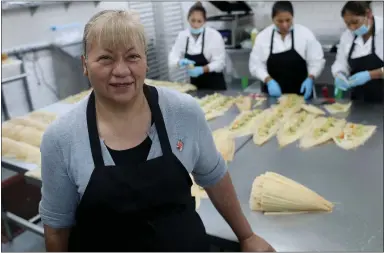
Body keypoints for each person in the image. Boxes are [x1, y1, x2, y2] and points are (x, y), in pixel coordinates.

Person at [39, 9, 274, 252]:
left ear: (145, 61)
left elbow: (214, 177)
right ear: (85, 64)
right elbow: (56, 229)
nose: (121, 70)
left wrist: (246, 236)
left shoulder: (184, 112)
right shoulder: (61, 138)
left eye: (132, 57)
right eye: (106, 58)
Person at [249, 1, 325, 100]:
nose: (285, 25)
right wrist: (268, 80)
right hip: (272, 96)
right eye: (280, 21)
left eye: (288, 20)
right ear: (273, 19)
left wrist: (310, 78)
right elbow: (256, 65)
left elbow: (316, 61)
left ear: (293, 17)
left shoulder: (305, 34)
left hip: (301, 96)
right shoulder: (263, 37)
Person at [332, 1, 383, 103]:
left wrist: (370, 75)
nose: (352, 28)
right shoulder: (347, 36)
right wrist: (339, 75)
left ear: (368, 14)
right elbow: (341, 62)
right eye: (348, 24)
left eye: (355, 22)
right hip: (359, 101)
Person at [168, 2, 227, 90]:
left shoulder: (214, 36)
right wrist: (179, 62)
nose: (195, 25)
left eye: (199, 21)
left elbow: (220, 63)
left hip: (214, 84)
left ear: (204, 22)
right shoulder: (183, 36)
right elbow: (172, 57)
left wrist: (202, 69)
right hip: (195, 85)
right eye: (193, 20)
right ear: (188, 19)